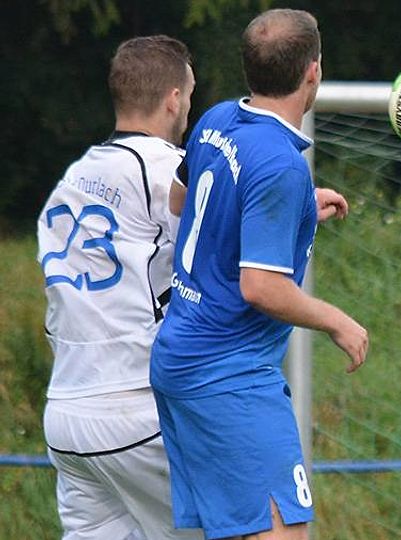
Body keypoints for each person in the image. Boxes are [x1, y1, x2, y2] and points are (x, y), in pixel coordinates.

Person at [149, 9, 369, 540]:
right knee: (282, 534)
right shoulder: (280, 164)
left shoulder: (218, 119)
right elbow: (261, 287)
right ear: (313, 70)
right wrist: (337, 321)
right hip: (228, 374)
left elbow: (182, 201)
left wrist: (294, 210)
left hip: (180, 357)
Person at [36, 35, 201, 539]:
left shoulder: (75, 176)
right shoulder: (166, 170)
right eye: (190, 95)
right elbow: (228, 235)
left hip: (67, 413)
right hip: (134, 409)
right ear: (174, 98)